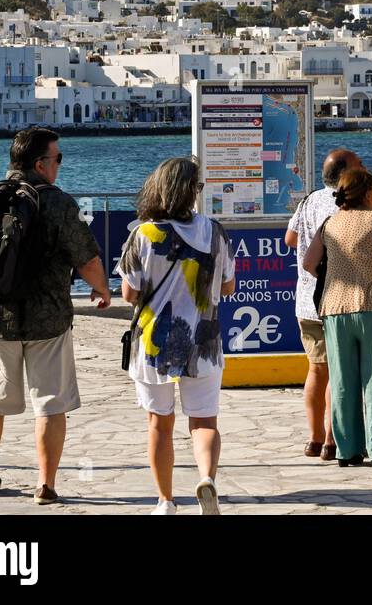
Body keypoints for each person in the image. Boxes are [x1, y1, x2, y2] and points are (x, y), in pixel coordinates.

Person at [0, 127, 111, 505]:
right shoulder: (59, 203)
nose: (59, 166)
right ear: (40, 164)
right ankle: (46, 486)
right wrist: (101, 290)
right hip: (48, 320)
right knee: (51, 403)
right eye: (58, 158)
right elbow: (89, 260)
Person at [118, 156, 234, 515]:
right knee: (204, 421)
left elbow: (129, 293)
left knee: (159, 422)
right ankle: (206, 479)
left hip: (154, 342)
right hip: (205, 340)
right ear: (192, 192)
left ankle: (165, 500)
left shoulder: (143, 235)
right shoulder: (214, 232)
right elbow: (228, 287)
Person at [302, 167, 372, 468]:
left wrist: (336, 276)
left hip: (335, 309)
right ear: (368, 194)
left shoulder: (329, 224)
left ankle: (347, 449)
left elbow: (309, 263)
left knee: (342, 381)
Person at [284, 148, 361, 460]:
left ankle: (314, 438)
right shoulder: (345, 203)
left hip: (305, 300)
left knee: (317, 370)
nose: (364, 169)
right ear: (345, 174)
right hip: (334, 299)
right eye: (359, 166)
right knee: (338, 371)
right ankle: (332, 439)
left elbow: (290, 239)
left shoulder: (309, 200)